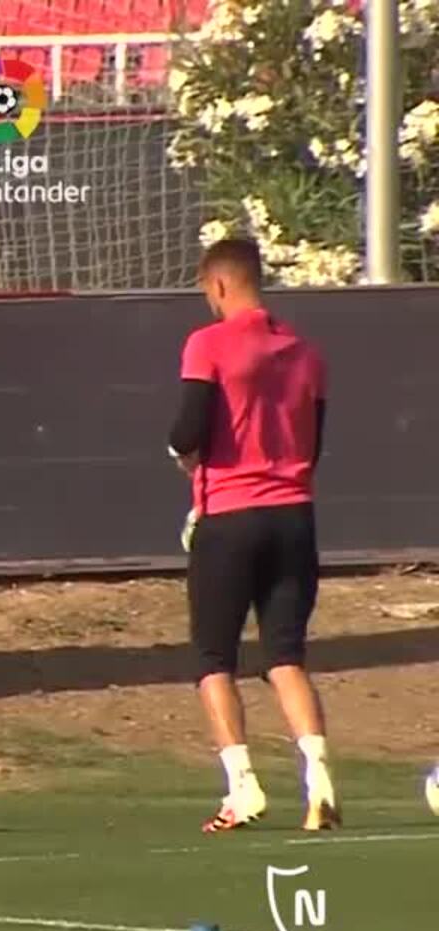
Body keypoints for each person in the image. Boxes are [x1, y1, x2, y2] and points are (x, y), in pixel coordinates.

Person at [168, 237, 337, 833]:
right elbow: (313, 446)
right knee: (286, 655)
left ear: (218, 285)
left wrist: (182, 456)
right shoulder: (306, 352)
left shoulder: (207, 344)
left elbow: (188, 430)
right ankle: (319, 778)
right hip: (295, 517)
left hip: (230, 517)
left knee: (214, 656)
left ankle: (242, 787)